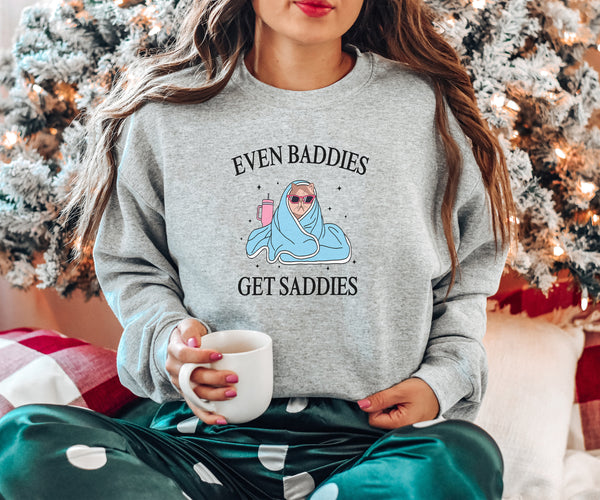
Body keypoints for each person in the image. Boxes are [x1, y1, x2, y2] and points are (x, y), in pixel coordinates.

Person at [0, 0, 518, 498]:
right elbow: (135, 267)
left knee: (464, 454)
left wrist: (443, 378)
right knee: (25, 441)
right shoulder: (165, 113)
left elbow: (467, 273)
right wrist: (169, 343)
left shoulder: (423, 109)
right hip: (203, 441)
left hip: (372, 446)